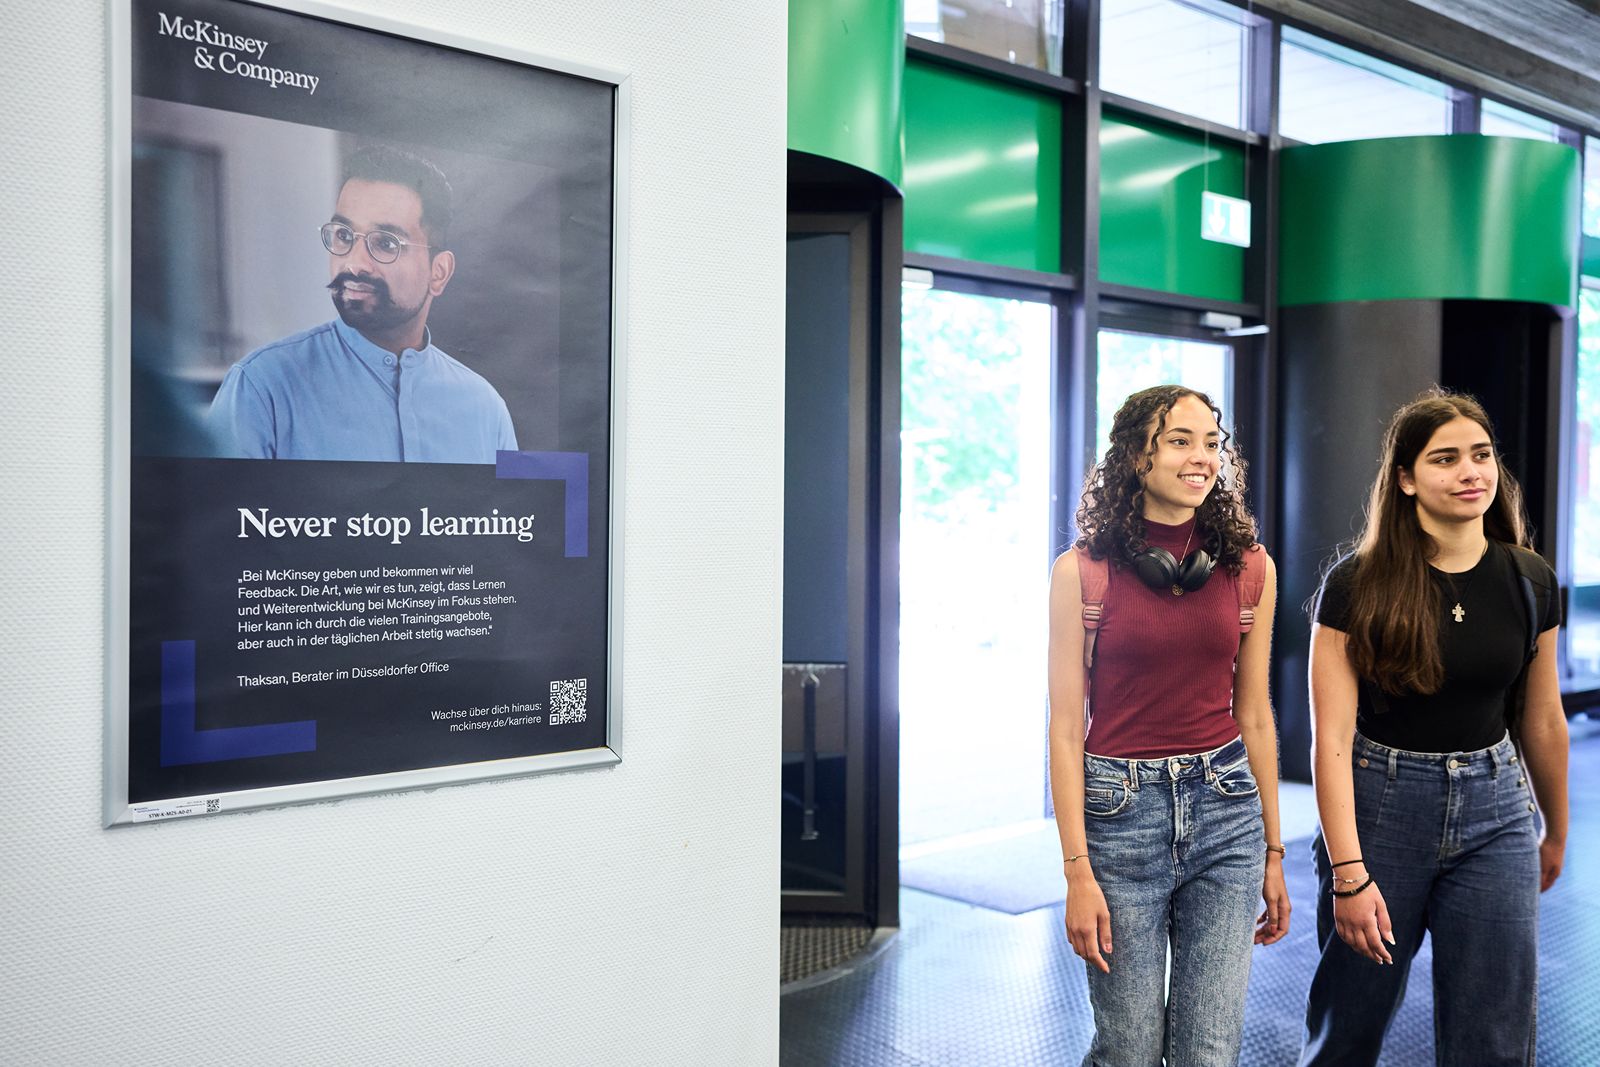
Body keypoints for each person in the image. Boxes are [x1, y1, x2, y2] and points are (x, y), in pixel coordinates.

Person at [1297, 389, 1567, 1067]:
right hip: (1381, 805)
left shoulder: (1531, 581)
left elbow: (1542, 717)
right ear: (1408, 478)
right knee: (1347, 1028)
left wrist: (1555, 828)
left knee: (1496, 1037)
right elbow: (1329, 739)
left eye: (1481, 455)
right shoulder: (1354, 585)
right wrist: (1350, 873)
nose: (1472, 471)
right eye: (1445, 458)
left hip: (1498, 808)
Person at [1049, 385, 1290, 1066]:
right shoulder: (1082, 573)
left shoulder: (1250, 569)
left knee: (1208, 1052)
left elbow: (1255, 715)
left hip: (1227, 812)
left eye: (1212, 442)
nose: (1201, 457)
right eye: (1180, 440)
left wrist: (1274, 851)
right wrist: (1077, 872)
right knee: (1128, 1048)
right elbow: (1066, 728)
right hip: (1119, 816)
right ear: (1136, 456)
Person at [209, 144, 517, 463]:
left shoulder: (485, 409)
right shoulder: (262, 387)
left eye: (385, 243)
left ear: (438, 273)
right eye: (343, 236)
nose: (354, 264)